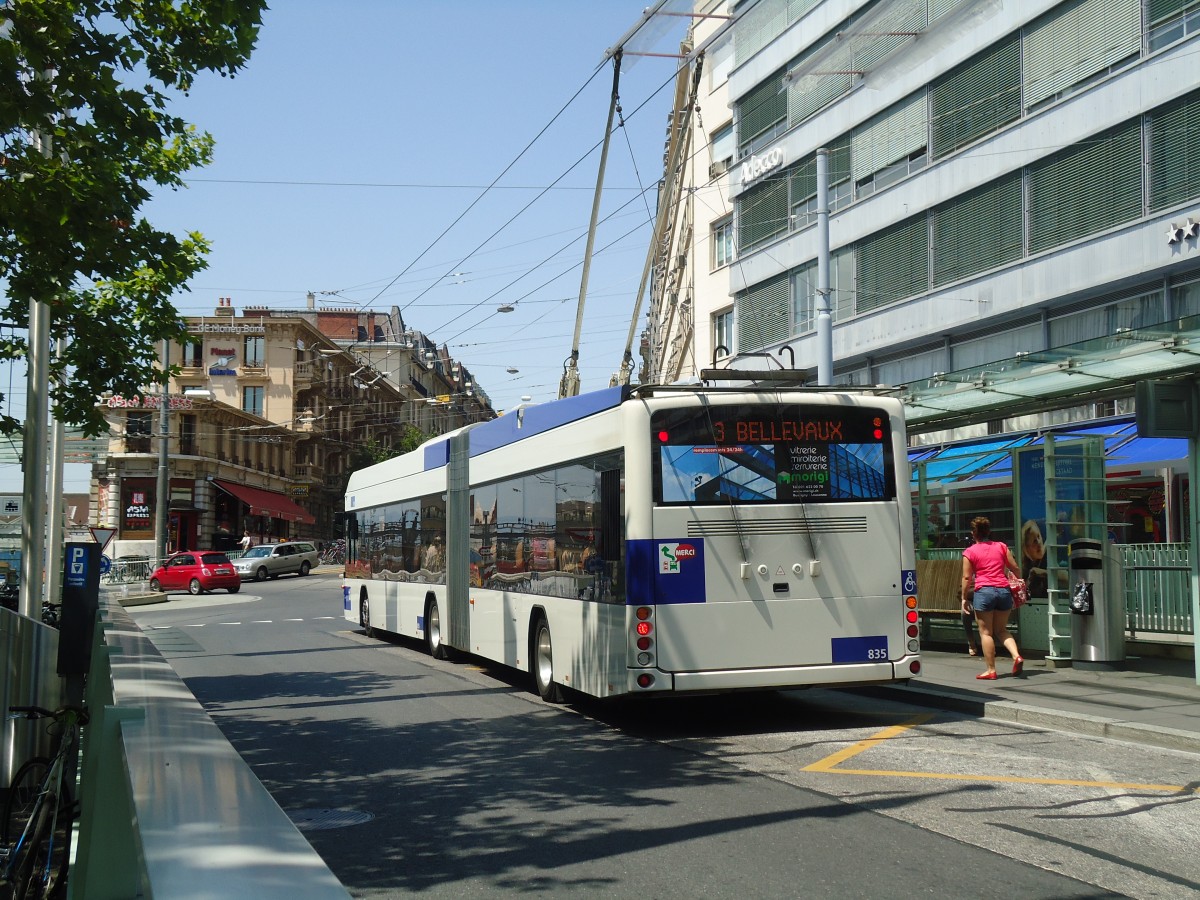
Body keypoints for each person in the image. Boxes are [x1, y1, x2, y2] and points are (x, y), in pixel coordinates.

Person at [961, 516, 1024, 680]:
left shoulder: (970, 552)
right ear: (989, 531)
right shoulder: (1001, 546)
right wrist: (1020, 582)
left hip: (984, 592)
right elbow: (1014, 567)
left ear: (974, 533)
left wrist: (964, 598)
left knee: (986, 633)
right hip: (1003, 591)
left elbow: (967, 578)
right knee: (1001, 630)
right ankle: (1016, 656)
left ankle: (991, 670)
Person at [1020, 519, 1048, 599]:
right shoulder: (1024, 569)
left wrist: (1042, 573)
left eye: (1039, 536)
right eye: (1034, 541)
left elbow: (1065, 576)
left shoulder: (1048, 556)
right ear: (1026, 549)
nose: (1039, 542)